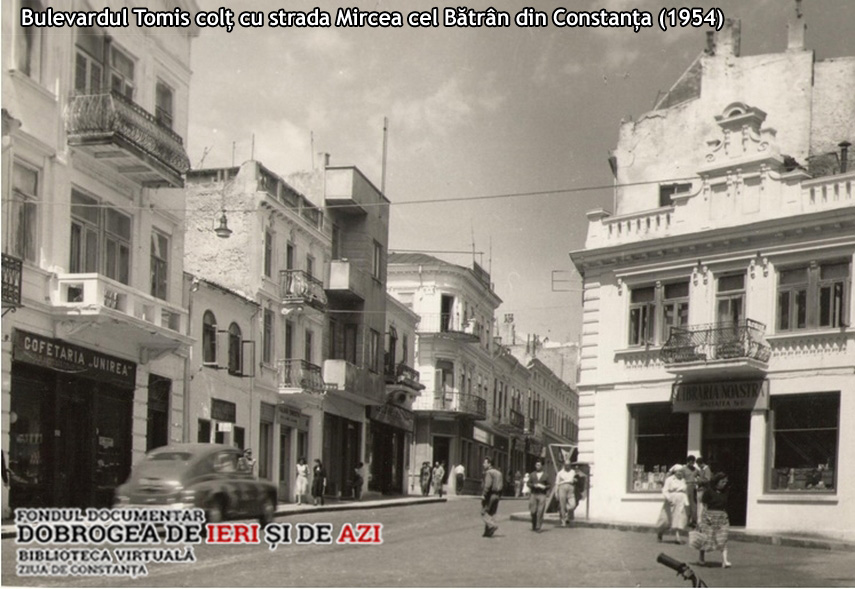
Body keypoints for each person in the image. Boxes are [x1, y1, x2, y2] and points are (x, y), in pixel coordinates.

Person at [697, 472, 732, 568]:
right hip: (709, 517)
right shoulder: (708, 492)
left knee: (723, 537)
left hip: (722, 517)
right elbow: (703, 505)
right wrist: (701, 518)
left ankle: (725, 561)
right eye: (722, 482)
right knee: (706, 538)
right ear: (717, 482)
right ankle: (701, 558)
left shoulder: (725, 491)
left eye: (726, 482)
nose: (724, 483)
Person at [656, 464, 690, 544]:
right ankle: (660, 532)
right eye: (678, 471)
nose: (680, 473)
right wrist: (669, 499)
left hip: (681, 501)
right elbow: (665, 490)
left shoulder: (683, 480)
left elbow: (685, 492)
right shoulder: (669, 479)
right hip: (671, 500)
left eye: (681, 472)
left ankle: (677, 537)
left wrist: (686, 502)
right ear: (675, 472)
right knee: (666, 519)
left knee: (679, 518)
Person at [480, 457, 503, 538]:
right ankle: (488, 532)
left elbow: (488, 484)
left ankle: (492, 525)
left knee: (484, 513)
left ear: (489, 464)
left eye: (485, 463)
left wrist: (484, 494)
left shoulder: (489, 472)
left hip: (490, 495)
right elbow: (502, 485)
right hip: (497, 495)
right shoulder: (499, 473)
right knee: (491, 514)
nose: (483, 464)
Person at [527, 458, 552, 532]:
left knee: (540, 511)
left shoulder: (545, 475)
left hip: (542, 494)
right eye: (536, 465)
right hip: (533, 494)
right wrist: (533, 485)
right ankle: (534, 524)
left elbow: (549, 485)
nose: (537, 466)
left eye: (539, 465)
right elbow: (528, 483)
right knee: (533, 511)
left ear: (542, 466)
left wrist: (545, 487)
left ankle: (538, 526)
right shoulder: (532, 474)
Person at [555, 460, 576, 527]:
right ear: (564, 465)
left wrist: (575, 480)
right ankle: (563, 521)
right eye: (566, 465)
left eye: (569, 465)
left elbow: (575, 479)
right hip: (562, 487)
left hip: (571, 487)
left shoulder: (573, 472)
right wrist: (556, 492)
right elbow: (557, 483)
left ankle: (563, 509)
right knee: (562, 503)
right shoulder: (560, 473)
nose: (567, 466)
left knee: (573, 505)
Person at [695, 456, 712, 522]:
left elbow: (708, 479)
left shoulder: (706, 469)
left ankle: (702, 520)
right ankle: (700, 520)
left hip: (704, 489)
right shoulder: (701, 470)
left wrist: (699, 480)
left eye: (698, 464)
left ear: (701, 463)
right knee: (700, 505)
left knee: (702, 505)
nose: (698, 466)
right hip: (700, 489)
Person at [683, 455, 698, 528]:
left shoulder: (696, 469)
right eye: (690, 462)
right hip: (686, 486)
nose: (692, 463)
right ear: (688, 462)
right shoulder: (683, 469)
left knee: (693, 504)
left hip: (694, 487)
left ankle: (694, 521)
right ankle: (686, 521)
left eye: (693, 462)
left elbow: (700, 476)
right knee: (686, 504)